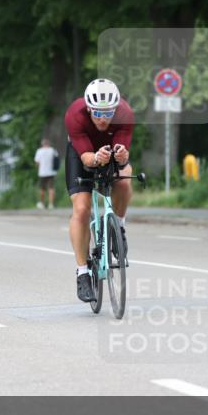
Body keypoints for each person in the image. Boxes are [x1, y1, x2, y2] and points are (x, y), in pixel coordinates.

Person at [65, 78, 135, 303]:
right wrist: (95, 158)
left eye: (108, 114)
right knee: (82, 209)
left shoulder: (125, 113)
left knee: (124, 180)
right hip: (82, 153)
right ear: (88, 108)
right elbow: (85, 157)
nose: (103, 119)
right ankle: (82, 272)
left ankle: (120, 227)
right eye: (97, 113)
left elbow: (124, 153)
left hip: (110, 150)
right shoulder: (75, 115)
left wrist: (122, 155)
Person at [33, 138, 58, 209]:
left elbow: (37, 162)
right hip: (51, 172)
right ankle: (51, 204)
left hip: (42, 173)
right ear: (49, 144)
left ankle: (42, 203)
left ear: (42, 144)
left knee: (42, 189)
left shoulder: (39, 151)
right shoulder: (53, 150)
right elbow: (56, 160)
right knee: (51, 188)